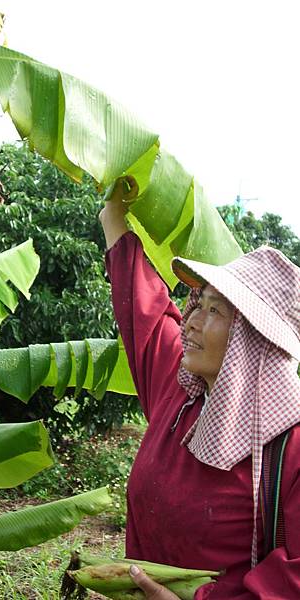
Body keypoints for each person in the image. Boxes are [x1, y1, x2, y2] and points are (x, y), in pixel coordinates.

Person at [99, 176, 300, 599]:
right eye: (197, 303)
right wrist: (113, 219)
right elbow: (147, 315)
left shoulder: (290, 446)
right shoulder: (182, 390)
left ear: (251, 339)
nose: (189, 320)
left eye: (213, 310)